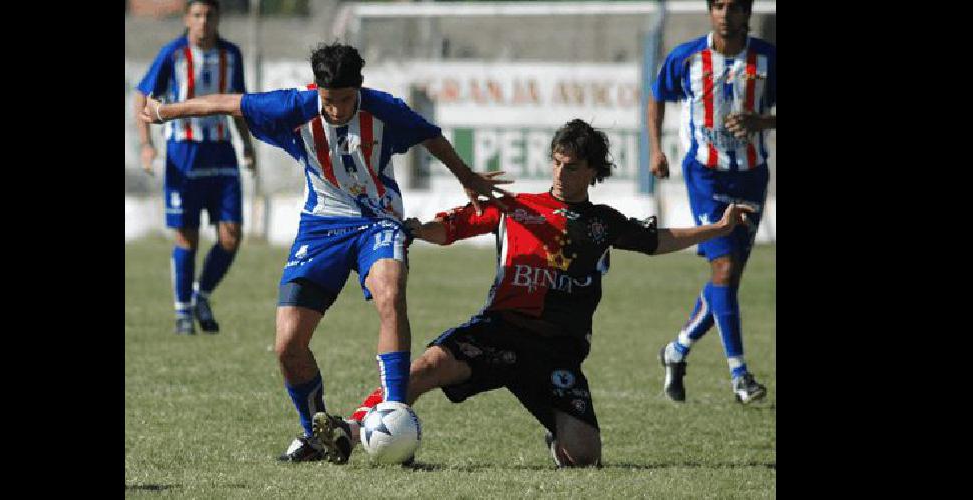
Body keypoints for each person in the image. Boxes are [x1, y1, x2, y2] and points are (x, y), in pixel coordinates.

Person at [139, 43, 511, 464]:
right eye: (328, 101)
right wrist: (164, 113)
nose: (336, 110)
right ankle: (318, 432)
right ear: (317, 89)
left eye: (346, 100)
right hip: (320, 228)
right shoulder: (294, 106)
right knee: (287, 345)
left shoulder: (384, 110)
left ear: (360, 88)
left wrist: (466, 177)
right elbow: (227, 103)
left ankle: (392, 410)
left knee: (390, 292)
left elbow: (432, 136)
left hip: (378, 220)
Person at [315, 119, 756, 467]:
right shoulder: (514, 206)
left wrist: (718, 228)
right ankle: (349, 431)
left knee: (584, 459)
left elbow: (658, 240)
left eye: (574, 166)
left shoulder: (602, 223)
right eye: (558, 161)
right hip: (498, 332)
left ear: (594, 172)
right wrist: (414, 229)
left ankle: (557, 434)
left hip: (556, 353)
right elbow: (451, 228)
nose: (562, 172)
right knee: (424, 368)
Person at [647, 0, 776, 404]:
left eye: (733, 6)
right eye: (717, 5)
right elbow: (656, 97)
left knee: (728, 277)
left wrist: (763, 121)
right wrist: (655, 150)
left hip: (752, 175)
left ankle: (676, 350)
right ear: (710, 12)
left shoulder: (768, 59)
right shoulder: (686, 57)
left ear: (747, 13)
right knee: (723, 267)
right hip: (705, 174)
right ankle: (739, 375)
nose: (724, 14)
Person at [134, 0, 256, 335]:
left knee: (231, 235)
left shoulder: (232, 55)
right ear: (187, 18)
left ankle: (201, 294)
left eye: (209, 15)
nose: (203, 22)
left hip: (221, 153)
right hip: (183, 155)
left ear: (218, 18)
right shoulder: (172, 54)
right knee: (187, 236)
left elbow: (238, 103)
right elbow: (143, 96)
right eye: (197, 15)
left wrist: (247, 146)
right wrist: (146, 145)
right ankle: (183, 312)